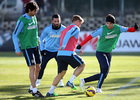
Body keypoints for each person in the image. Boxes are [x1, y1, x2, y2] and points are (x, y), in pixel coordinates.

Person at [77, 14, 138, 93]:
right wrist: (80, 45)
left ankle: (84, 80)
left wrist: (135, 28)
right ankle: (99, 88)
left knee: (104, 74)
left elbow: (129, 30)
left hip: (109, 53)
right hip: (100, 52)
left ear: (113, 23)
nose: (108, 25)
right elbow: (90, 36)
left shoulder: (118, 28)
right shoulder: (102, 29)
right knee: (105, 68)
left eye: (110, 23)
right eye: (107, 23)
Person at [46, 15, 85, 97]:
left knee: (61, 73)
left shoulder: (64, 29)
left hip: (60, 54)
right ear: (77, 21)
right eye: (80, 23)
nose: (80, 26)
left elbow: (68, 39)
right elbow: (68, 35)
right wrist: (63, 46)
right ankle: (70, 81)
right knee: (82, 65)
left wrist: (77, 50)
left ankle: (50, 92)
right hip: (68, 53)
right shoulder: (75, 28)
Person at [12, 1, 44, 97]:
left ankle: (31, 87)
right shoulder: (22, 20)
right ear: (29, 10)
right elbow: (14, 34)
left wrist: (37, 38)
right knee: (32, 67)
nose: (36, 13)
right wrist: (17, 48)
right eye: (34, 11)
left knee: (38, 67)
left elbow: (35, 31)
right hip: (27, 47)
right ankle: (34, 90)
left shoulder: (34, 17)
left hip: (35, 46)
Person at [36, 13, 66, 87]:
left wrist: (64, 47)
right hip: (48, 51)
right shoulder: (47, 29)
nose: (56, 23)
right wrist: (42, 49)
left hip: (58, 51)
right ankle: (38, 81)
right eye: (55, 21)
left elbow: (67, 39)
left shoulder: (64, 29)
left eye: (58, 21)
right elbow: (41, 38)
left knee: (60, 66)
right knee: (42, 66)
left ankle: (60, 81)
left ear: (60, 21)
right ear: (52, 21)